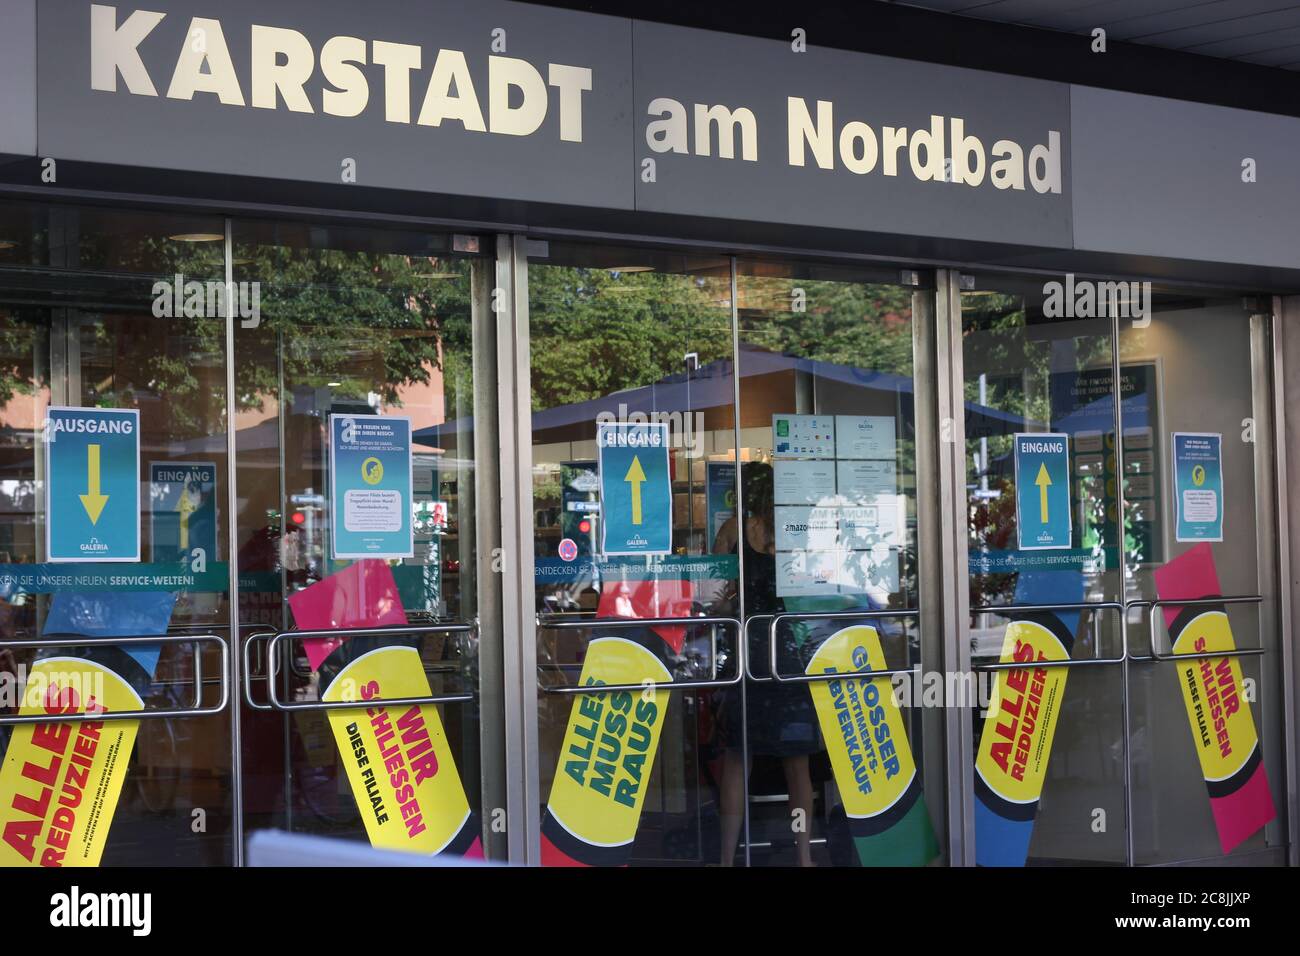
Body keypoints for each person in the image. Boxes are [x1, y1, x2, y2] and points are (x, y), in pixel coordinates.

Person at [712, 461, 819, 867]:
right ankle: (804, 856)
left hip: (749, 651)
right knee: (798, 766)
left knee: (738, 762)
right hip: (788, 652)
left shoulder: (733, 531)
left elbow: (715, 593)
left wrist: (727, 604)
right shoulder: (794, 530)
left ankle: (726, 858)